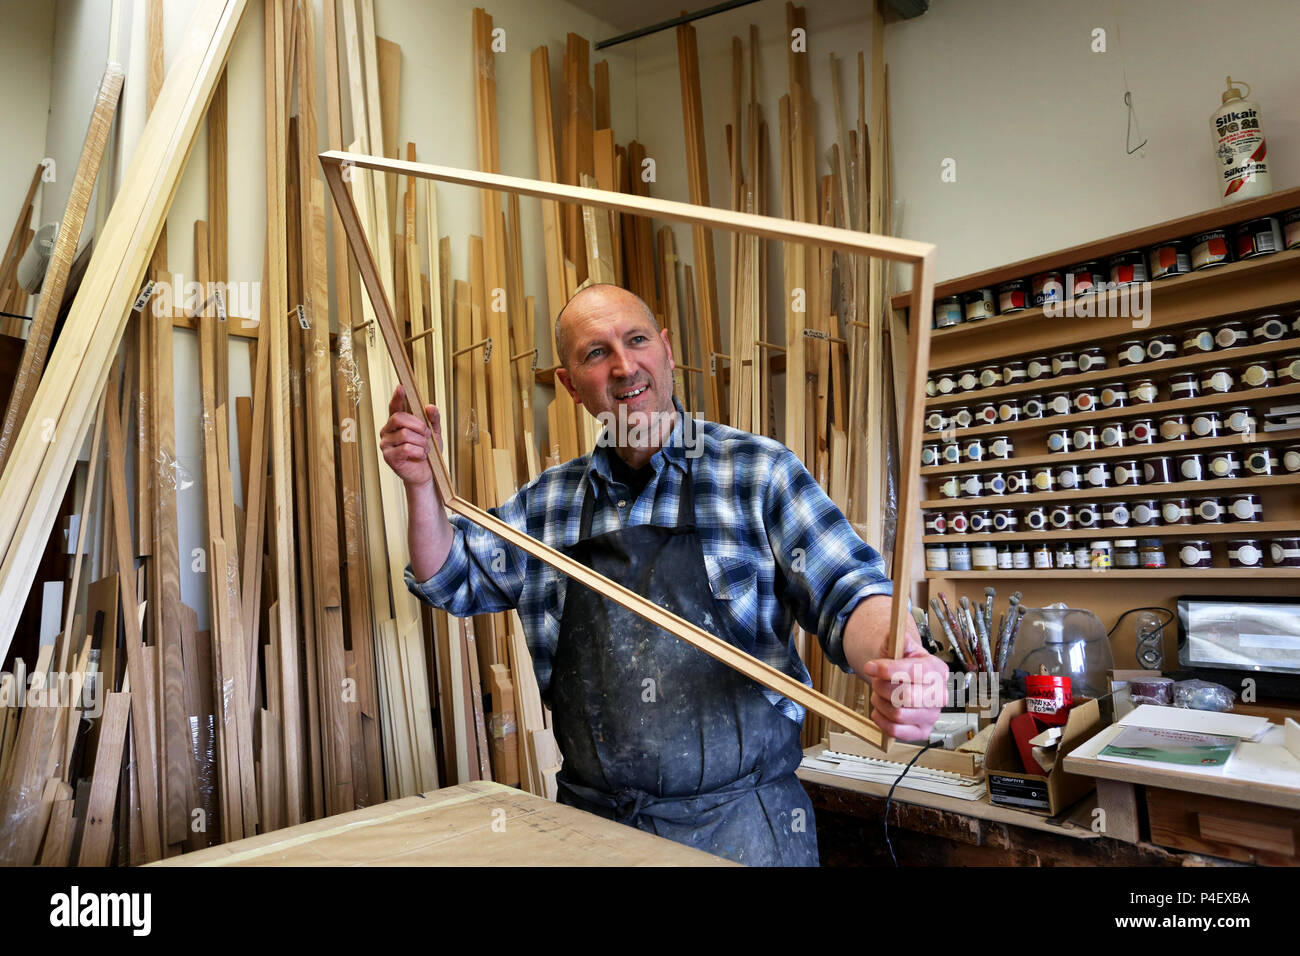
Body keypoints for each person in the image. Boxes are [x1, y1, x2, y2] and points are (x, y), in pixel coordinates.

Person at [381, 283, 947, 866]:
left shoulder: (757, 472)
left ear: (667, 350)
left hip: (742, 832)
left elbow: (847, 591)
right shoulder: (548, 504)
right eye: (596, 353)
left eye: (637, 340)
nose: (625, 366)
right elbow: (451, 578)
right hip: (595, 833)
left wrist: (900, 657)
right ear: (571, 385)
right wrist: (422, 486)